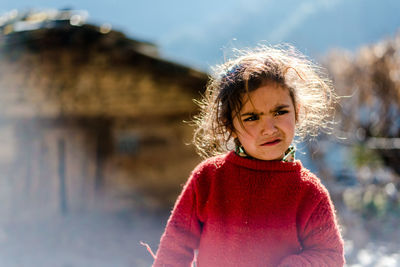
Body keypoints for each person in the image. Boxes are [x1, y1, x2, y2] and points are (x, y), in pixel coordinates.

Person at [152, 45, 345, 266]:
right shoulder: (209, 179)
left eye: (280, 112)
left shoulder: (308, 193)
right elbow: (173, 251)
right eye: (252, 118)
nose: (269, 128)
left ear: (297, 111)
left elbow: (330, 256)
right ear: (230, 126)